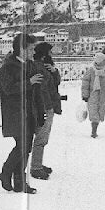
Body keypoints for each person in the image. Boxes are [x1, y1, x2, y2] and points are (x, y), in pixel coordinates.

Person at [0, 33, 42, 193]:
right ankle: (6, 172)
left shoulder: (29, 65)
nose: (33, 52)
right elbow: (7, 88)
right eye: (31, 49)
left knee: (26, 147)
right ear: (22, 49)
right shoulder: (8, 66)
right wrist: (28, 82)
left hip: (29, 113)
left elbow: (36, 92)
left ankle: (19, 183)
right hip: (15, 113)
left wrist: (40, 112)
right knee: (22, 146)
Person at [31, 42, 61, 179]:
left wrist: (54, 71)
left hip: (46, 105)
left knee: (42, 137)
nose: (52, 55)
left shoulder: (44, 67)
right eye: (50, 52)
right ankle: (36, 167)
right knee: (41, 137)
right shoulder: (39, 68)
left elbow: (55, 83)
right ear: (44, 55)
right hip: (44, 106)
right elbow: (43, 89)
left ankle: (38, 163)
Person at [81, 52, 105, 139]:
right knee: (93, 112)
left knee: (100, 112)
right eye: (104, 60)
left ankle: (95, 127)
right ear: (99, 61)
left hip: (104, 95)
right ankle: (94, 130)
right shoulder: (91, 71)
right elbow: (85, 84)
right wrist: (85, 95)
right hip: (92, 95)